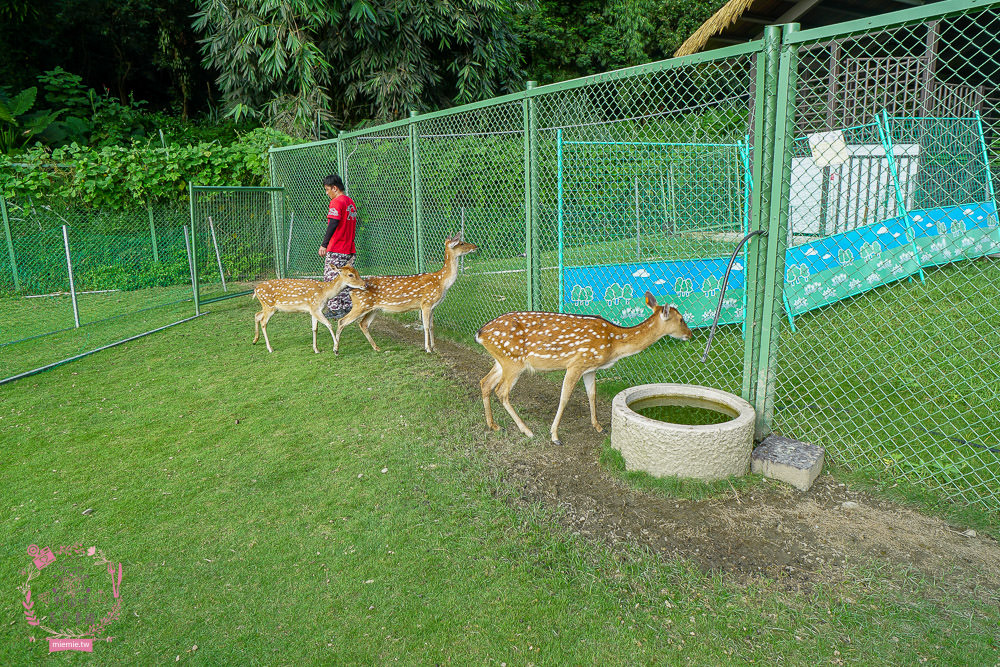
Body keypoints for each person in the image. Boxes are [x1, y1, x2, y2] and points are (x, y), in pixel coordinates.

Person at [318, 174, 359, 318]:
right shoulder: (350, 202)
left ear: (335, 188)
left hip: (337, 248)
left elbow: (333, 223)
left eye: (327, 189)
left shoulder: (336, 202)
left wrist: (324, 244)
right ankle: (347, 307)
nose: (326, 193)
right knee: (346, 279)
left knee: (331, 279)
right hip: (349, 249)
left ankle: (335, 309)